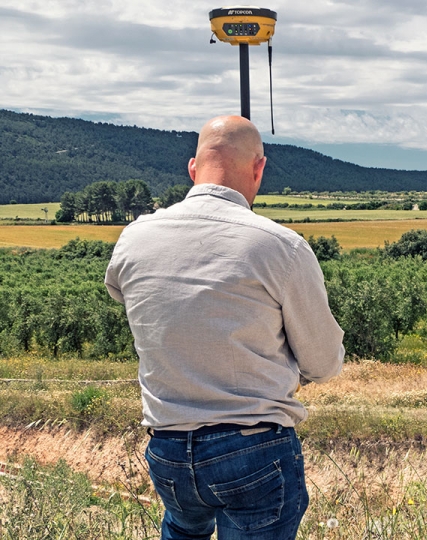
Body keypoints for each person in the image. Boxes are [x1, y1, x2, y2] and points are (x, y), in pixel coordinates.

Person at [105, 115, 344, 540]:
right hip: (254, 446)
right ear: (259, 169)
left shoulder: (135, 238)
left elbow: (125, 295)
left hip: (169, 449)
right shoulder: (281, 247)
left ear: (193, 168)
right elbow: (324, 362)